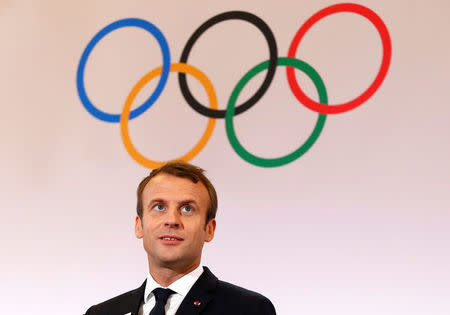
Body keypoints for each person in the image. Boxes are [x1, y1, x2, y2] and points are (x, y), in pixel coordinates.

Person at [84, 161, 276, 315]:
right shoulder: (101, 313)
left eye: (187, 209)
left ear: (209, 229)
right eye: (159, 207)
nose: (172, 220)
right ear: (139, 225)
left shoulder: (249, 309)